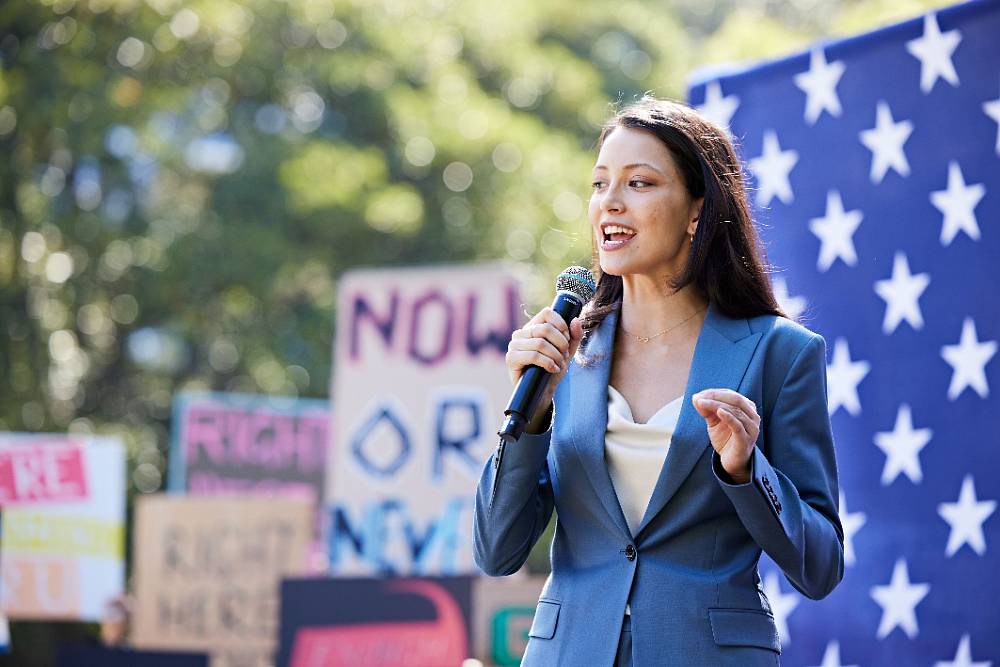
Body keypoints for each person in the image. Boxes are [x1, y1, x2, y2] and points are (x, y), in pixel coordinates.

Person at [473, 96, 844, 666]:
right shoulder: (565, 351)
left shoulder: (781, 352)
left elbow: (820, 566)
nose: (610, 204)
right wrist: (535, 415)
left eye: (639, 183)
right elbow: (497, 550)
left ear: (697, 208)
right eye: (600, 185)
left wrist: (747, 471)